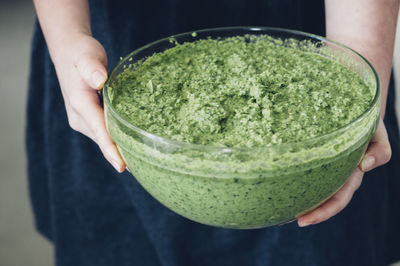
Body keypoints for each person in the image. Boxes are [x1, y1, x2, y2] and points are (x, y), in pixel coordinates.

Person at [27, 0, 400, 265]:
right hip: (109, 51)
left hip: (324, 34)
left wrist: (360, 60)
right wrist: (68, 39)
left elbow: (354, 65)